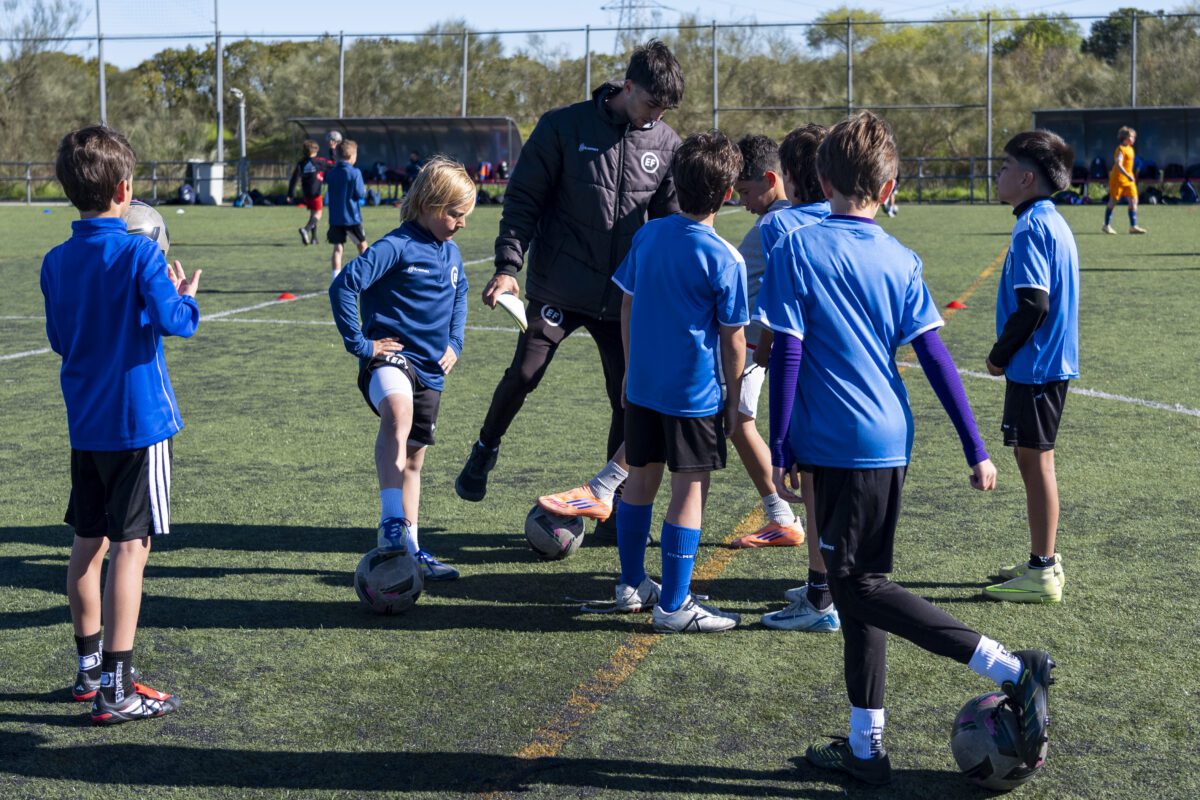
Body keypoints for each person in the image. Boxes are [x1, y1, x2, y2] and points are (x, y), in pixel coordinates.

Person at [757, 111, 1054, 784]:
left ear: (823, 177)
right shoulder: (900, 257)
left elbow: (789, 355)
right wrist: (975, 447)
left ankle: (1012, 666)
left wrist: (779, 443)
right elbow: (936, 356)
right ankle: (866, 751)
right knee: (860, 588)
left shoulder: (795, 250)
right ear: (889, 185)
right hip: (890, 440)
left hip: (833, 442)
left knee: (857, 587)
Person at [455, 40, 685, 544]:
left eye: (664, 110)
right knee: (525, 372)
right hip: (559, 282)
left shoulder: (667, 143)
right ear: (627, 88)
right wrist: (508, 266)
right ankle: (484, 449)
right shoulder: (562, 125)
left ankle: (616, 505)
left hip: (624, 297)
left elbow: (669, 225)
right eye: (651, 103)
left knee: (628, 399)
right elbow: (523, 200)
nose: (656, 116)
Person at [41, 125, 201, 724]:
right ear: (125, 189)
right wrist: (185, 295)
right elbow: (175, 321)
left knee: (88, 543)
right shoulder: (140, 252)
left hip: (85, 424)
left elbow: (61, 340)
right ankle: (117, 686)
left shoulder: (56, 261)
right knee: (132, 548)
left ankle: (88, 672)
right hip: (137, 424)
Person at [607, 130, 747, 632]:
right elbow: (733, 340)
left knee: (639, 481)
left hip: (642, 388)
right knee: (690, 490)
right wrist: (734, 398)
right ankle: (674, 606)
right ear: (727, 193)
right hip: (693, 396)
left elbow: (627, 303)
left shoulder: (648, 235)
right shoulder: (725, 257)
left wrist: (628, 370)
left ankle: (630, 584)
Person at [329, 157, 476, 582]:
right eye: (455, 213)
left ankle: (410, 548)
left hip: (432, 368)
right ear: (430, 205)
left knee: (414, 460)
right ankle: (391, 523)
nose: (461, 223)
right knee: (398, 411)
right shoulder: (396, 246)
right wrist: (361, 344)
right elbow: (344, 285)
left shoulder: (451, 252)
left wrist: (455, 342)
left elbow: (460, 292)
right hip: (391, 358)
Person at [734, 125, 841, 634]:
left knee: (814, 487)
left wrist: (758, 350)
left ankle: (824, 599)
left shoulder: (783, 229)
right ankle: (824, 587)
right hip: (849, 375)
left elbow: (780, 321)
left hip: (800, 371)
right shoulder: (846, 221)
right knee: (831, 490)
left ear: (794, 179)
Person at [983, 131, 1079, 603]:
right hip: (1046, 363)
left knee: (1036, 461)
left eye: (1004, 167)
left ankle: (1042, 569)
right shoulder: (1050, 220)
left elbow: (1033, 304)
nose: (998, 174)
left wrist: (999, 355)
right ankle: (1044, 556)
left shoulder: (1031, 228)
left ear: (1025, 178)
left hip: (1036, 365)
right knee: (1033, 459)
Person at [724, 134, 807, 549]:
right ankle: (782, 517)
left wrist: (766, 346)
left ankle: (605, 485)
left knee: (704, 413)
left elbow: (783, 293)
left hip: (761, 347)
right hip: (763, 346)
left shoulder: (778, 223)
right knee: (736, 420)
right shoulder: (786, 218)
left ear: (773, 179)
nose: (742, 201)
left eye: (745, 191)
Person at [326, 138, 368, 281]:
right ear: (352, 156)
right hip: (351, 217)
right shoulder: (355, 173)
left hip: (335, 218)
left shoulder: (331, 173)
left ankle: (335, 278)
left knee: (337, 249)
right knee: (363, 247)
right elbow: (360, 194)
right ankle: (365, 276)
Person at [1102, 126, 1146, 235]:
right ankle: (1106, 225)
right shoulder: (1120, 149)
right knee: (1113, 201)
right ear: (1125, 137)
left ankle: (1133, 226)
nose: (1134, 139)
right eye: (1132, 136)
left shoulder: (1130, 149)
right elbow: (1118, 165)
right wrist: (1127, 175)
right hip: (1118, 179)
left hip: (1128, 179)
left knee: (1134, 200)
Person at [289, 139, 325, 246]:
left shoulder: (301, 163)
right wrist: (332, 150)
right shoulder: (319, 161)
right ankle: (306, 229)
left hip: (306, 193)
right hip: (316, 193)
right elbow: (333, 163)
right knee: (318, 214)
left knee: (313, 214)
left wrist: (290, 194)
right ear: (315, 151)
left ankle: (314, 238)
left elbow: (294, 179)